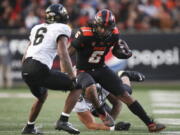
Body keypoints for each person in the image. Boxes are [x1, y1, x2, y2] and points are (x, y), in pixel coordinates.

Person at [68, 9, 166, 132]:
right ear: (95, 24)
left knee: (125, 95)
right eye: (101, 27)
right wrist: (67, 72)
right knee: (90, 88)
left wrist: (123, 53)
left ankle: (150, 124)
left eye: (107, 28)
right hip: (83, 70)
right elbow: (68, 53)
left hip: (100, 67)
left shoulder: (114, 34)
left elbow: (115, 51)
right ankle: (103, 114)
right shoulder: (84, 33)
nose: (104, 31)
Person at [21, 4, 81, 134]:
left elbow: (25, 53)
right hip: (39, 68)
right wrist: (70, 76)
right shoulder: (62, 28)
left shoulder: (37, 27)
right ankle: (63, 121)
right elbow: (63, 53)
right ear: (62, 17)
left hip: (25, 68)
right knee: (77, 86)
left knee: (42, 95)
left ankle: (29, 128)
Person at [73, 70, 145, 131]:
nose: (93, 94)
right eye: (89, 92)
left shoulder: (101, 84)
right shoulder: (78, 101)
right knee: (101, 112)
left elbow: (117, 103)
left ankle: (124, 75)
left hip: (97, 78)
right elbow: (90, 124)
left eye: (93, 91)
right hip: (94, 104)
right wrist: (112, 127)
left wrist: (111, 122)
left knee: (126, 92)